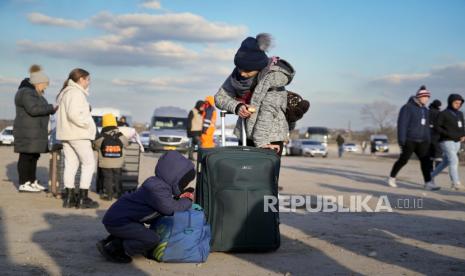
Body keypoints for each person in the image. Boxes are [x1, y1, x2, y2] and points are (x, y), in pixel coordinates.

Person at [96, 151, 195, 263]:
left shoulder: (157, 184)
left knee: (142, 232)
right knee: (152, 239)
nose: (184, 185)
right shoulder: (157, 189)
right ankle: (115, 248)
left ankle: (114, 239)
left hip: (120, 219)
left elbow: (164, 204)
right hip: (120, 222)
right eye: (184, 182)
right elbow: (170, 209)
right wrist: (187, 200)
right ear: (176, 178)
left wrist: (179, 198)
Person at [214, 33, 295, 156]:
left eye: (247, 70)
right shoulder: (237, 75)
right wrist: (237, 106)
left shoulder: (274, 77)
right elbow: (220, 97)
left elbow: (268, 110)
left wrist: (261, 142)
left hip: (269, 137)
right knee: (243, 174)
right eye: (239, 68)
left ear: (258, 67)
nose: (241, 73)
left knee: (263, 175)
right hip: (245, 134)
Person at [56, 68, 99, 208]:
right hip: (78, 134)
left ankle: (69, 198)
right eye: (88, 79)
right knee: (88, 164)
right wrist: (87, 124)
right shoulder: (76, 93)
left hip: (66, 134)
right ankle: (83, 198)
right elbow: (74, 114)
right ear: (81, 79)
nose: (88, 82)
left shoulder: (65, 92)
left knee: (71, 164)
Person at [13, 65, 57, 192]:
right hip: (27, 131)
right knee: (26, 156)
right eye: (45, 84)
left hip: (34, 132)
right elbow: (33, 110)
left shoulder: (34, 93)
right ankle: (23, 182)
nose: (46, 86)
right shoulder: (26, 92)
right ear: (38, 83)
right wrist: (51, 108)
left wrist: (51, 109)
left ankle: (31, 181)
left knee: (33, 156)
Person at [388, 85, 439, 190]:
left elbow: (427, 127)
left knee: (426, 162)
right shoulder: (407, 107)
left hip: (423, 141)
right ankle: (392, 177)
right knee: (403, 160)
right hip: (410, 140)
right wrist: (402, 140)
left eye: (428, 97)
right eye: (424, 97)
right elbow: (402, 124)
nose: (426, 99)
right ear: (419, 97)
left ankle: (428, 183)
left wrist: (428, 139)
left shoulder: (425, 110)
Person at [431, 94, 465, 191]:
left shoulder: (460, 114)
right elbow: (437, 127)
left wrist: (463, 135)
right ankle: (456, 183)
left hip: (457, 142)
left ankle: (429, 177)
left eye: (460, 103)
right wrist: (447, 134)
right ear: (450, 102)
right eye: (456, 103)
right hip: (446, 141)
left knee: (445, 162)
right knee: (454, 160)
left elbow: (462, 126)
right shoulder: (443, 114)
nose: (458, 105)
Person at [94, 114, 129, 200]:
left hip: (106, 162)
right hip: (118, 162)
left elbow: (96, 146)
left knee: (108, 178)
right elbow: (126, 143)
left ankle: (109, 195)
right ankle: (118, 194)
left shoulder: (102, 136)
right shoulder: (119, 134)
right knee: (117, 177)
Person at [429, 99, 443, 170]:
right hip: (437, 134)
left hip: (428, 134)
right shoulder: (439, 113)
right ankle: (438, 168)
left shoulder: (428, 111)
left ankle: (430, 168)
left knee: (430, 152)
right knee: (438, 152)